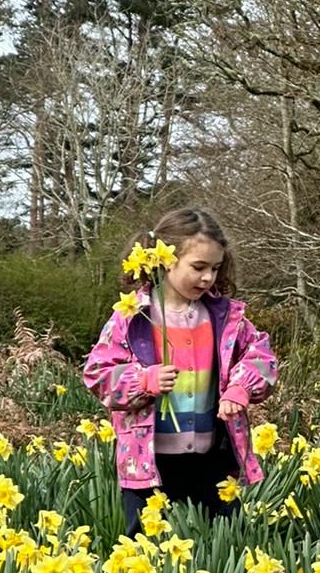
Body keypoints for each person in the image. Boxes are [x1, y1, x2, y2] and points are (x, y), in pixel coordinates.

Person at [84, 208, 278, 533]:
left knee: (228, 539)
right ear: (164, 261)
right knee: (145, 546)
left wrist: (240, 388)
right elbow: (98, 374)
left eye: (215, 268)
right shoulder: (131, 317)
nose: (208, 278)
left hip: (211, 455)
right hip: (148, 459)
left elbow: (261, 356)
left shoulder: (224, 317)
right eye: (198, 267)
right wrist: (144, 381)